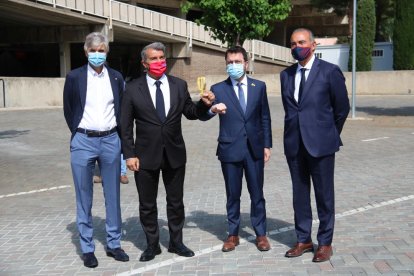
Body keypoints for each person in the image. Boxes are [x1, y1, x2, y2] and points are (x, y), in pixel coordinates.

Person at [120, 42, 215, 262]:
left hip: (174, 154)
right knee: (147, 204)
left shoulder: (179, 85)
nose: (159, 62)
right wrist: (129, 154)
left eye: (162, 58)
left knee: (175, 202)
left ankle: (176, 242)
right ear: (144, 63)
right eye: (154, 59)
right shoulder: (133, 88)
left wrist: (203, 104)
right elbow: (125, 126)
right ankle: (152, 245)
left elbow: (191, 113)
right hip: (144, 157)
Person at [280, 28, 350, 262]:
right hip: (294, 145)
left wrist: (328, 133)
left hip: (321, 145)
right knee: (299, 195)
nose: (296, 47)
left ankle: (325, 242)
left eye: (301, 42)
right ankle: (303, 239)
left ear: (313, 45)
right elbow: (291, 110)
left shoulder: (330, 72)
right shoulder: (286, 75)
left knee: (324, 196)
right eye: (292, 44)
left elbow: (341, 109)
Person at [63, 32, 129, 268]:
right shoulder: (74, 77)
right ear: (86, 52)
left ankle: (114, 244)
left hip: (111, 141)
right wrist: (79, 131)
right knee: (84, 197)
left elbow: (122, 110)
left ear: (107, 52)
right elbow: (69, 109)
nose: (97, 54)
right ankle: (87, 248)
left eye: (101, 50)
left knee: (113, 196)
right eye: (93, 50)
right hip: (83, 141)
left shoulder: (116, 78)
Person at [200, 46, 272, 252]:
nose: (233, 66)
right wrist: (210, 107)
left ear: (246, 64)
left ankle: (260, 234)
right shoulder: (218, 89)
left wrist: (267, 144)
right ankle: (233, 234)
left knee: (257, 193)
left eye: (237, 62)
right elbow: (204, 115)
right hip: (230, 149)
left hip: (254, 148)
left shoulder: (259, 86)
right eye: (229, 62)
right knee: (233, 194)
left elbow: (264, 117)